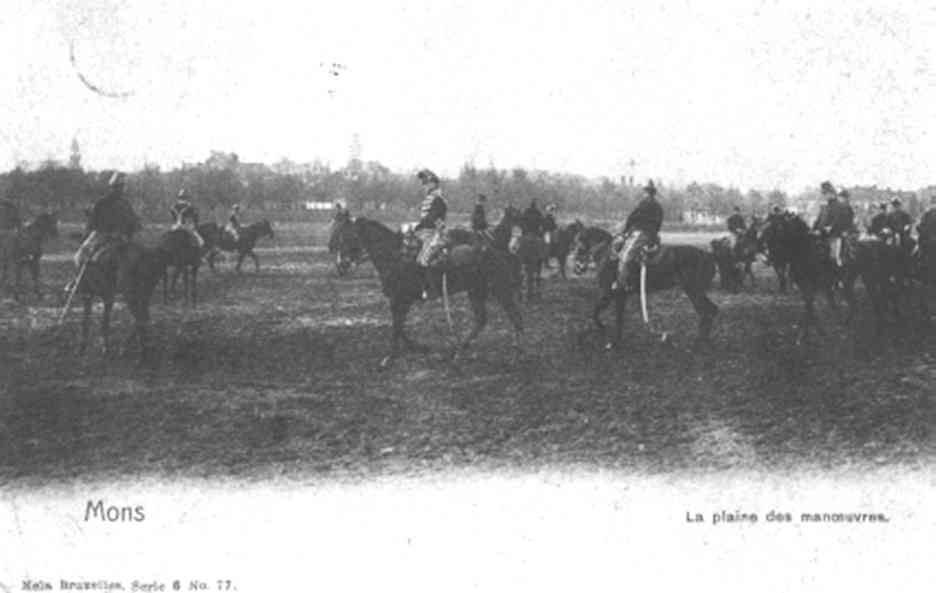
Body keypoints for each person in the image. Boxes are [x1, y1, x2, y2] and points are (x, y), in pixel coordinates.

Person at [68, 171, 140, 293]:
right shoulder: (125, 203)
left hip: (103, 236)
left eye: (120, 187)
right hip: (122, 238)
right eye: (119, 187)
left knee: (80, 256)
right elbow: (134, 224)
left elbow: (92, 224)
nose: (120, 190)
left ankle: (78, 283)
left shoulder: (102, 202)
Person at [613, 179, 664, 292]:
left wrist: (623, 231)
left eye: (645, 192)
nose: (645, 194)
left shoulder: (644, 204)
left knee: (625, 256)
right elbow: (659, 224)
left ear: (646, 192)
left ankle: (621, 284)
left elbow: (632, 218)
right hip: (653, 236)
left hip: (641, 234)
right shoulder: (658, 206)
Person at [412, 169, 448, 298]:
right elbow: (425, 219)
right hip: (425, 232)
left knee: (423, 259)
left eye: (427, 183)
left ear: (434, 184)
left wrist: (420, 226)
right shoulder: (428, 199)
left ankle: (430, 289)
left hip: (435, 233)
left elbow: (433, 219)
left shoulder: (438, 199)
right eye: (424, 184)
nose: (425, 186)